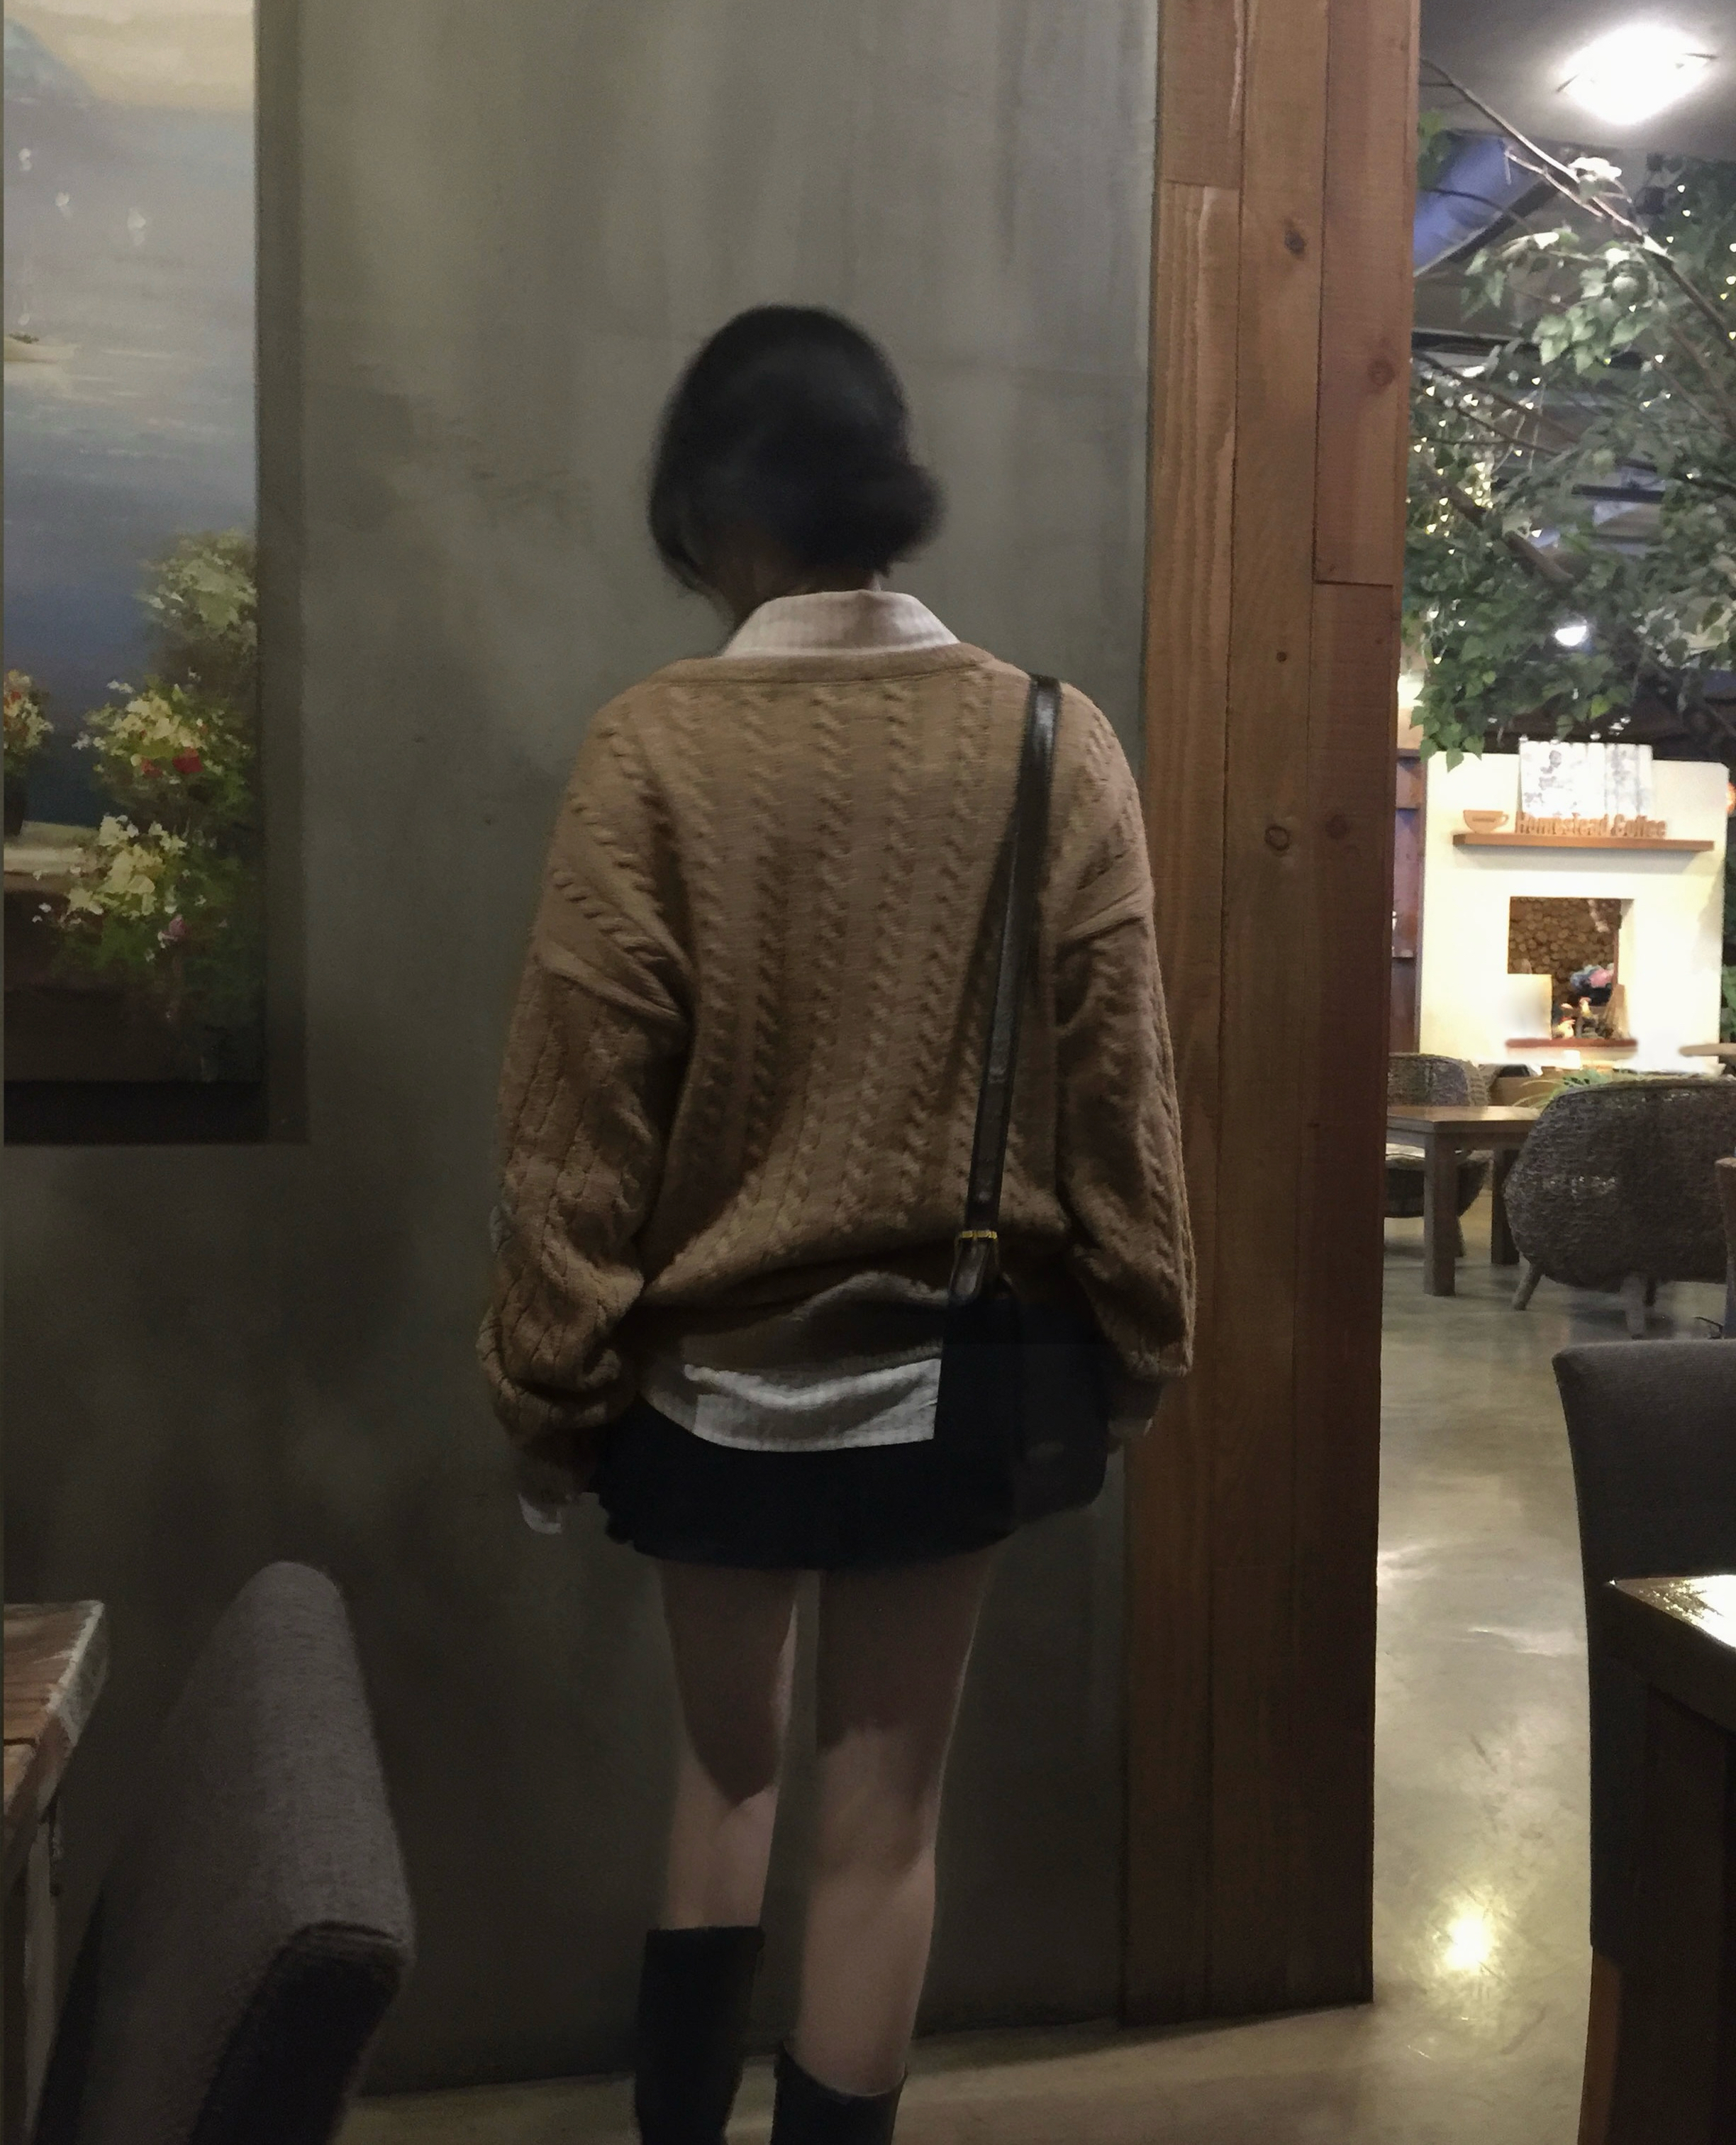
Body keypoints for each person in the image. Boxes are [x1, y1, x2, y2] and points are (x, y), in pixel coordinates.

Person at [481, 305, 1194, 2144]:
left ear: (716, 514)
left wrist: (550, 1390)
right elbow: (1120, 1081)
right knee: (886, 1827)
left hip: (703, 1389)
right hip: (950, 1379)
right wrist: (1142, 1333)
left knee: (721, 1779)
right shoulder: (1050, 741)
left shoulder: (650, 750)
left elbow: (576, 1119)